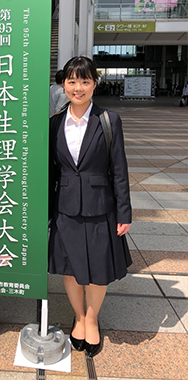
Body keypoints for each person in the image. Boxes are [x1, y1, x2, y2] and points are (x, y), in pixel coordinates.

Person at [48, 56, 132, 358]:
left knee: (98, 268)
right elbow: (52, 172)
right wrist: (45, 213)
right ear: (63, 85)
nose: (78, 87)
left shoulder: (109, 120)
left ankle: (93, 319)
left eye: (85, 81)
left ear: (95, 84)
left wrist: (125, 213)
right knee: (69, 268)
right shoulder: (55, 123)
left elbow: (119, 169)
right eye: (72, 81)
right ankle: (79, 317)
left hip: (101, 206)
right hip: (65, 207)